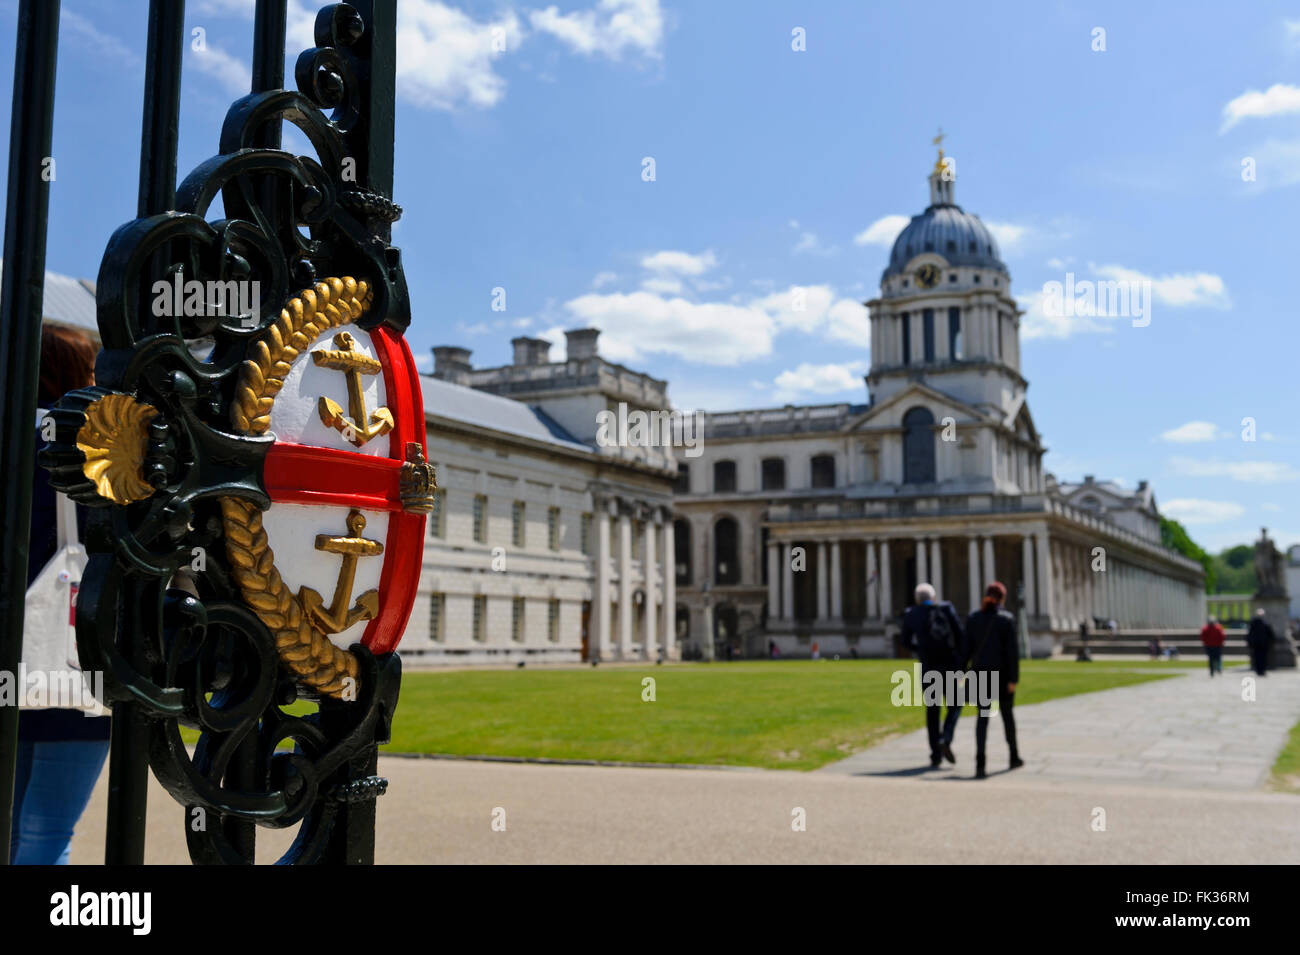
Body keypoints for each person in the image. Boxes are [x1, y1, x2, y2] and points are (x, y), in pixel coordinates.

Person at [12, 326, 111, 864]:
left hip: (12, 660)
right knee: (48, 834)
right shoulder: (93, 446)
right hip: (73, 660)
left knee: (12, 834)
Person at [902, 582, 965, 768]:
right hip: (949, 666)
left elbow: (905, 641)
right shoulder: (947, 609)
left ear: (917, 599)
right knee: (955, 705)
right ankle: (945, 737)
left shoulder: (911, 614)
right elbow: (960, 635)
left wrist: (919, 650)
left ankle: (935, 755)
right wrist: (960, 662)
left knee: (932, 710)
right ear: (933, 598)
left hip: (928, 667)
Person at [964, 581, 1022, 779]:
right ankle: (1013, 756)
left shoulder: (974, 618)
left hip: (980, 675)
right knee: (1007, 718)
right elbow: (1012, 653)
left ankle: (980, 764)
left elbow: (966, 650)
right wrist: (1013, 679)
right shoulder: (1006, 619)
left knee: (982, 719)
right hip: (1002, 676)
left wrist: (960, 672)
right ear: (1002, 598)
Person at [1246, 609, 1275, 677]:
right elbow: (1271, 635)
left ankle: (1259, 670)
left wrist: (1250, 643)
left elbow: (1249, 635)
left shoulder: (1253, 624)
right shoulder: (1265, 624)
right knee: (1263, 658)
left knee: (1257, 658)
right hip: (1263, 644)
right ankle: (1262, 670)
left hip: (1256, 644)